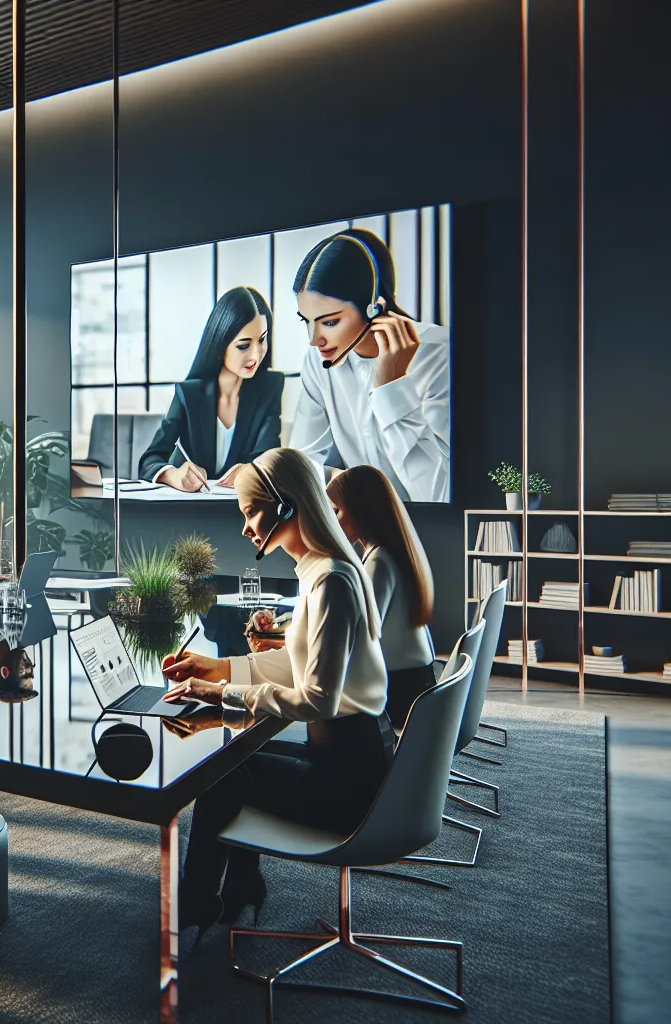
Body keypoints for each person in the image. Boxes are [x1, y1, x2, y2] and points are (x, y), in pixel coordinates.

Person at [160, 447, 390, 934]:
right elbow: (297, 661)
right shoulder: (323, 571)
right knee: (232, 770)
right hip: (348, 756)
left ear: (285, 504)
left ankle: (197, 903)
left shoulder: (332, 582)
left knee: (219, 780)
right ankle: (239, 885)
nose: (245, 528)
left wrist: (224, 695)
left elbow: (315, 699)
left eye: (250, 513)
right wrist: (221, 668)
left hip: (352, 782)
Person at [285, 228, 451, 502]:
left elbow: (438, 496)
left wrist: (391, 386)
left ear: (374, 306)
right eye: (307, 321)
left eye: (329, 322)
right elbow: (301, 470)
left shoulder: (439, 354)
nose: (314, 340)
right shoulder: (319, 362)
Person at [137, 285, 285, 491]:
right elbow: (149, 460)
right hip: (193, 509)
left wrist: (251, 470)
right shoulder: (188, 394)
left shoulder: (270, 387)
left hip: (244, 507)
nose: (256, 354)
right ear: (220, 342)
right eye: (243, 345)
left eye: (262, 340)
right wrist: (173, 475)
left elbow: (268, 455)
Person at [328, 464, 436, 730]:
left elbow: (358, 637)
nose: (332, 521)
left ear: (361, 510)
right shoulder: (392, 552)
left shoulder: (379, 561)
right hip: (417, 685)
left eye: (337, 511)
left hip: (400, 695)